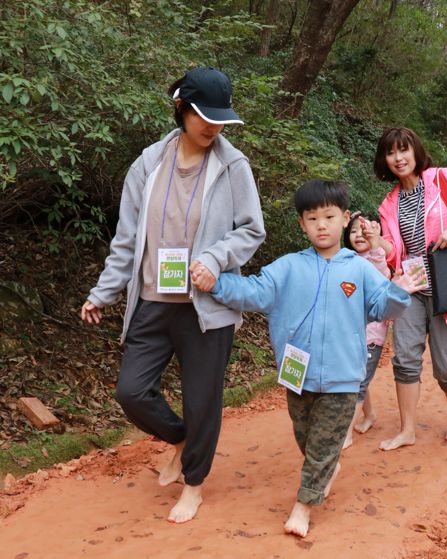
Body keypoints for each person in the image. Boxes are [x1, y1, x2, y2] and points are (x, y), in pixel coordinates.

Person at [80, 67, 266, 523]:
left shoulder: (233, 165)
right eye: (205, 116)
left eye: (221, 119)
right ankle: (183, 441)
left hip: (207, 308)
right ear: (181, 108)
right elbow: (126, 240)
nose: (213, 126)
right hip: (153, 301)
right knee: (131, 391)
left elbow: (252, 230)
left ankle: (195, 485)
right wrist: (102, 293)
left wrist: (216, 258)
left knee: (203, 399)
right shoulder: (148, 164)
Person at [200, 180, 423, 537]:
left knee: (322, 444)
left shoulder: (360, 269)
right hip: (296, 373)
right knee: (305, 437)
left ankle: (303, 506)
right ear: (301, 224)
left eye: (330, 216)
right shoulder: (288, 267)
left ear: (344, 218)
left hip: (344, 377)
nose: (322, 224)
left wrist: (399, 293)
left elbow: (383, 307)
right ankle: (325, 468)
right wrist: (216, 284)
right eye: (312, 218)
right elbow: (254, 291)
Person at [374, 127, 447, 451]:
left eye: (403, 150)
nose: (398, 158)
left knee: (446, 366)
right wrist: (375, 240)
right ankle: (407, 429)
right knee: (405, 359)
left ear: (415, 151)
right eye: (391, 153)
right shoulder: (388, 203)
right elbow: (394, 250)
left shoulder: (443, 179)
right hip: (412, 288)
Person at [341, 211, 391, 448]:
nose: (358, 234)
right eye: (353, 230)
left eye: (364, 230)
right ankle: (369, 415)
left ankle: (346, 433)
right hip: (350, 334)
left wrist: (375, 245)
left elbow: (381, 273)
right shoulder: (345, 259)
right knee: (359, 378)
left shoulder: (376, 259)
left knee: (357, 383)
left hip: (371, 336)